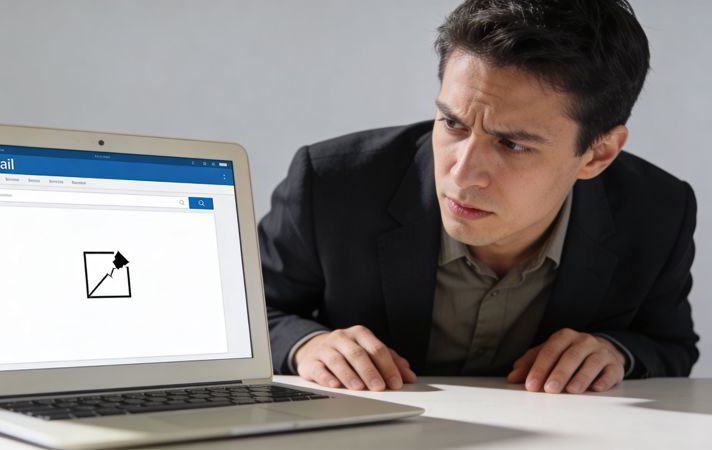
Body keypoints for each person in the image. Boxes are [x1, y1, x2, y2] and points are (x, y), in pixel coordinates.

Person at [258, 0, 699, 394]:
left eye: (513, 145)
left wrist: (616, 352)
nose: (463, 173)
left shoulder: (658, 213)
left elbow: (671, 345)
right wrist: (306, 344)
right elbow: (245, 316)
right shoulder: (331, 183)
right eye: (453, 124)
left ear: (598, 154)